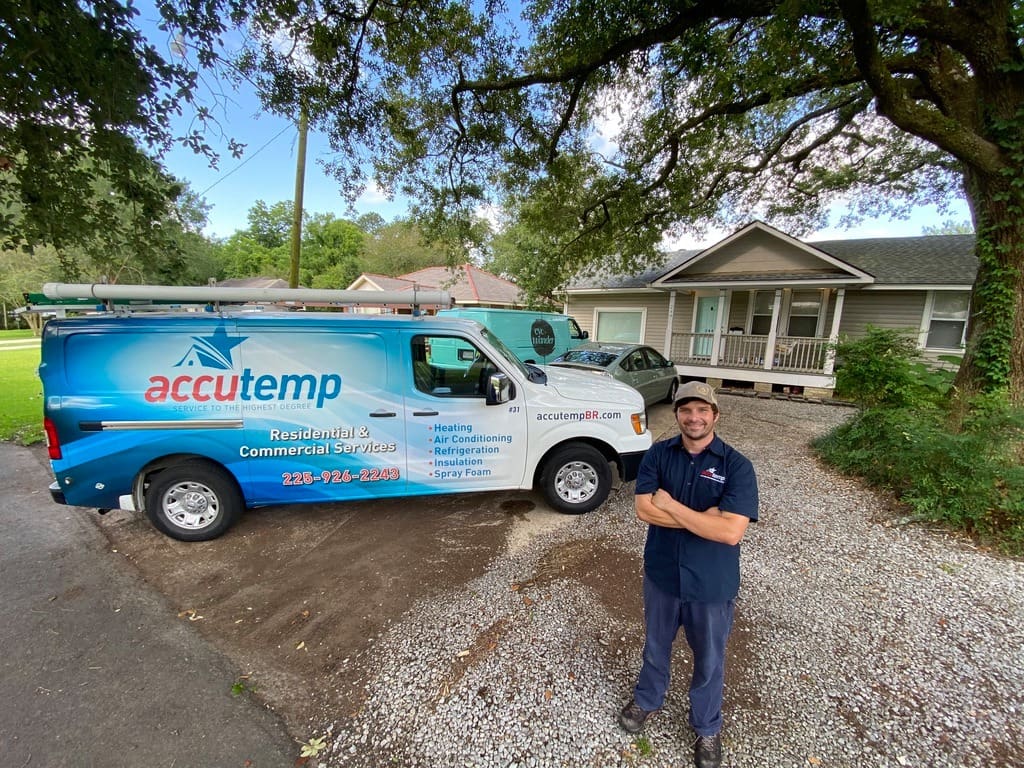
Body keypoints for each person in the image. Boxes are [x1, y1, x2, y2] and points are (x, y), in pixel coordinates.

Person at [618, 381, 759, 768]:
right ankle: (647, 701)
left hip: (711, 583)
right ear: (678, 414)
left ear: (715, 415)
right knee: (655, 646)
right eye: (686, 410)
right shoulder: (658, 454)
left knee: (710, 659)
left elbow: (731, 532)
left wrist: (672, 506)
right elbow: (644, 510)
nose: (693, 418)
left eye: (702, 410)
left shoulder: (737, 466)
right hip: (662, 574)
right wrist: (706, 517)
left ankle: (707, 727)